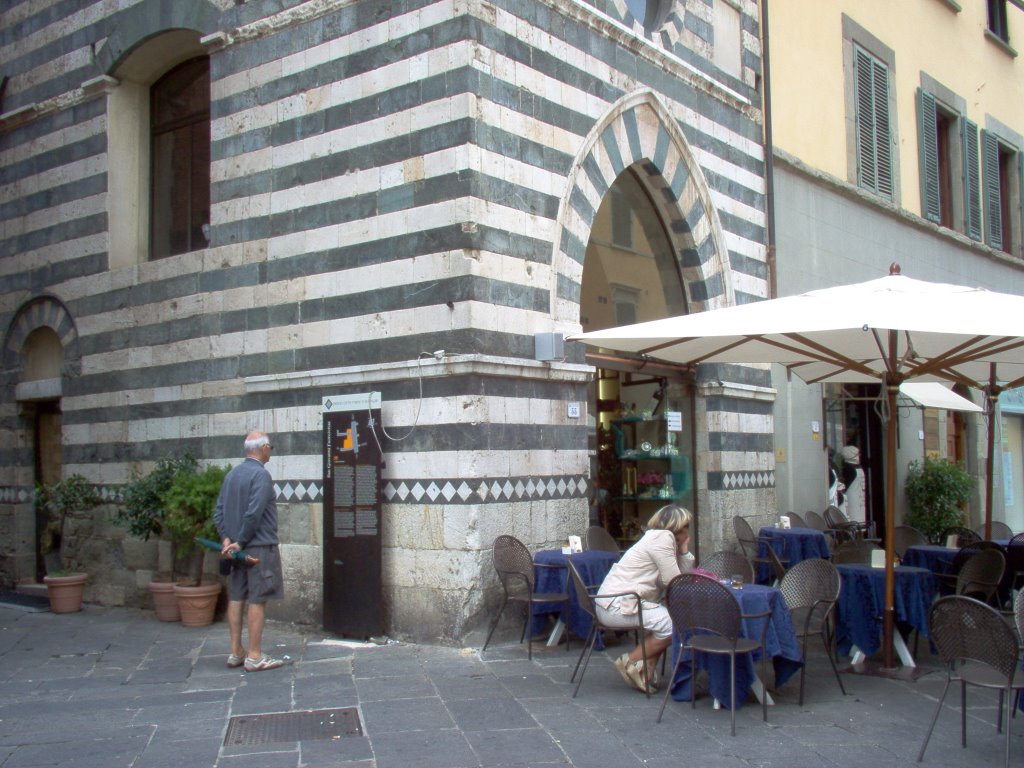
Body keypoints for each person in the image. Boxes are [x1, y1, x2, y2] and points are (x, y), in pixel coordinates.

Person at [594, 505, 694, 693]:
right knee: (674, 624)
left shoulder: (659, 538)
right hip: (617, 606)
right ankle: (630, 661)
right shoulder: (662, 539)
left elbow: (682, 579)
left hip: (617, 603)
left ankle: (643, 670)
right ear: (678, 526)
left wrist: (684, 550)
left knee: (665, 620)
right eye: (687, 525)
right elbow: (674, 581)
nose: (688, 529)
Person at [214, 431, 285, 672]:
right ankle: (254, 655)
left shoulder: (232, 475)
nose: (270, 451)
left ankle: (236, 651)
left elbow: (219, 511)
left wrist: (226, 540)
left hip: (234, 549)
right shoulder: (261, 475)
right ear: (263, 448)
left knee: (236, 597)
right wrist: (242, 542)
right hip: (257, 548)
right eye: (270, 447)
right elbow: (254, 513)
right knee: (257, 599)